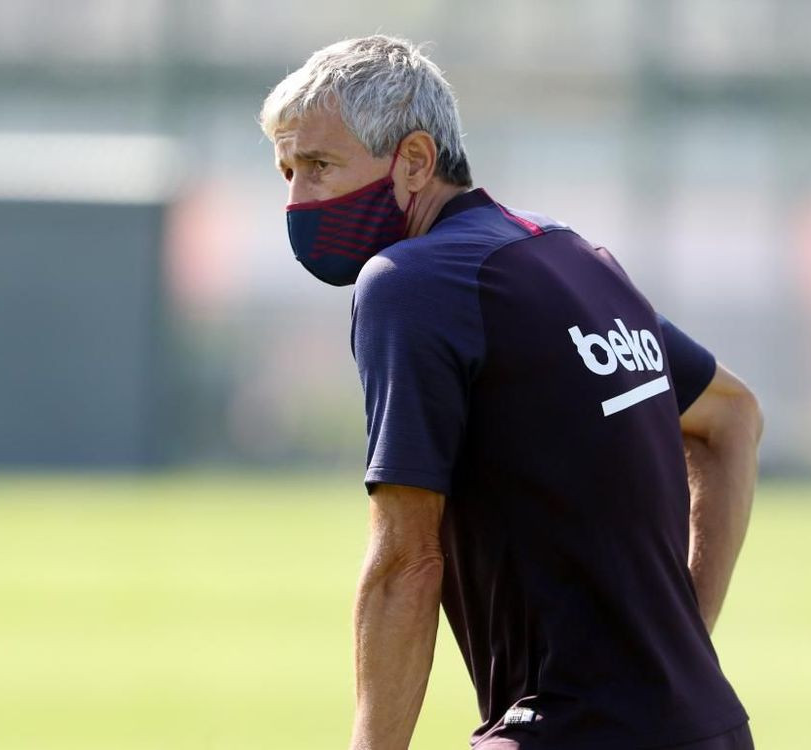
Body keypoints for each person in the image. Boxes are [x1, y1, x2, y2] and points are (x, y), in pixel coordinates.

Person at [259, 36, 763, 750]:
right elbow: (733, 418)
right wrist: (685, 639)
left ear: (413, 162)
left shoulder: (410, 282)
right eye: (285, 171)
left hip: (571, 729)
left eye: (318, 166)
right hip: (708, 724)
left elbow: (406, 562)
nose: (297, 200)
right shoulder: (570, 255)